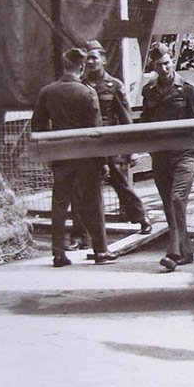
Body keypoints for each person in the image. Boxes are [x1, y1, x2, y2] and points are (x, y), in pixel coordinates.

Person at [32, 48, 118, 266]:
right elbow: (96, 131)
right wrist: (103, 161)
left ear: (64, 64)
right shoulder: (87, 93)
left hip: (61, 155)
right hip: (85, 156)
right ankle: (100, 251)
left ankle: (59, 253)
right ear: (81, 67)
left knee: (60, 204)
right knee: (93, 202)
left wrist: (51, 147)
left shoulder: (47, 92)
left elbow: (38, 125)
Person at [69, 41, 152, 249]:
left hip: (111, 143)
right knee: (85, 189)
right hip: (89, 143)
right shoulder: (80, 85)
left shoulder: (114, 85)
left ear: (104, 60)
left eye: (95, 57)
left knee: (121, 184)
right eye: (87, 58)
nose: (90, 61)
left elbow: (125, 118)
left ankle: (142, 219)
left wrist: (131, 150)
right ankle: (81, 236)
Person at [141, 43, 194, 271]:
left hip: (185, 154)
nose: (164, 68)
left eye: (167, 63)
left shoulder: (188, 89)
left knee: (177, 198)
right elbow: (146, 123)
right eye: (159, 65)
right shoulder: (149, 91)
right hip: (161, 156)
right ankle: (186, 251)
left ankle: (173, 251)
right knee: (168, 204)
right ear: (153, 66)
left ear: (173, 61)